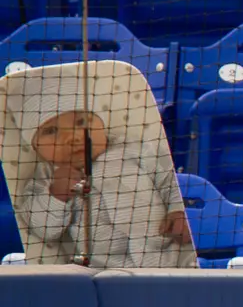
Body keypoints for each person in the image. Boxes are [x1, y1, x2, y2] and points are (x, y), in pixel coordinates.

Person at [15, 97, 192, 269]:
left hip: (169, 253)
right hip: (103, 269)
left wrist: (177, 209)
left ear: (102, 125)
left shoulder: (136, 150)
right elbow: (43, 230)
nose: (73, 137)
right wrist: (56, 194)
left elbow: (170, 183)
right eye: (51, 131)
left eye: (82, 122)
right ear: (35, 147)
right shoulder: (46, 176)